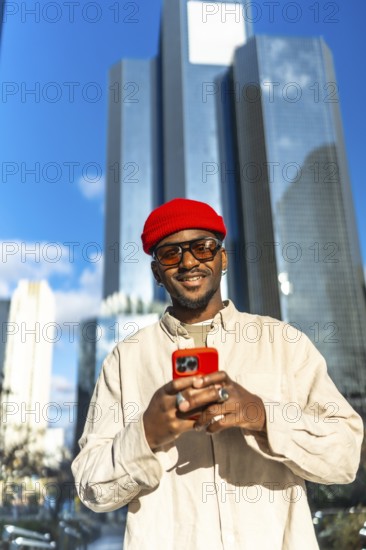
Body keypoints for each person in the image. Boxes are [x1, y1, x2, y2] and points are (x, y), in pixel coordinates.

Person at [72, 198, 363, 549]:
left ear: (222, 259)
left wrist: (261, 415)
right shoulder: (124, 360)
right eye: (170, 254)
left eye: (203, 247)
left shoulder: (283, 343)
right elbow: (90, 488)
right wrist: (146, 433)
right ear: (156, 274)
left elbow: (345, 456)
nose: (189, 261)